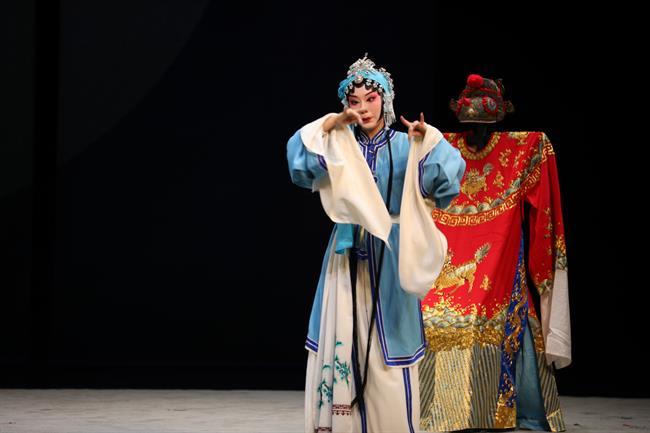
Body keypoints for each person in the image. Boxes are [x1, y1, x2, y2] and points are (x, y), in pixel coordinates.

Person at [287, 54, 465, 433]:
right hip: (347, 253)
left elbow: (445, 184)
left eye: (371, 99)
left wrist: (428, 141)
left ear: (385, 100)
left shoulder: (404, 145)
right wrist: (332, 124)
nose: (364, 108)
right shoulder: (339, 146)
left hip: (390, 256)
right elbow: (300, 164)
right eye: (354, 101)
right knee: (345, 340)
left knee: (389, 351)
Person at [419, 74, 570, 432]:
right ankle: (425, 412)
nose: (477, 132)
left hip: (497, 266)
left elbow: (544, 213)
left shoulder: (522, 149)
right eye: (471, 125)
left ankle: (492, 411)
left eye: (484, 125)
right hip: (446, 259)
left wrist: (542, 272)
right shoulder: (441, 147)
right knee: (428, 314)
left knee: (481, 316)